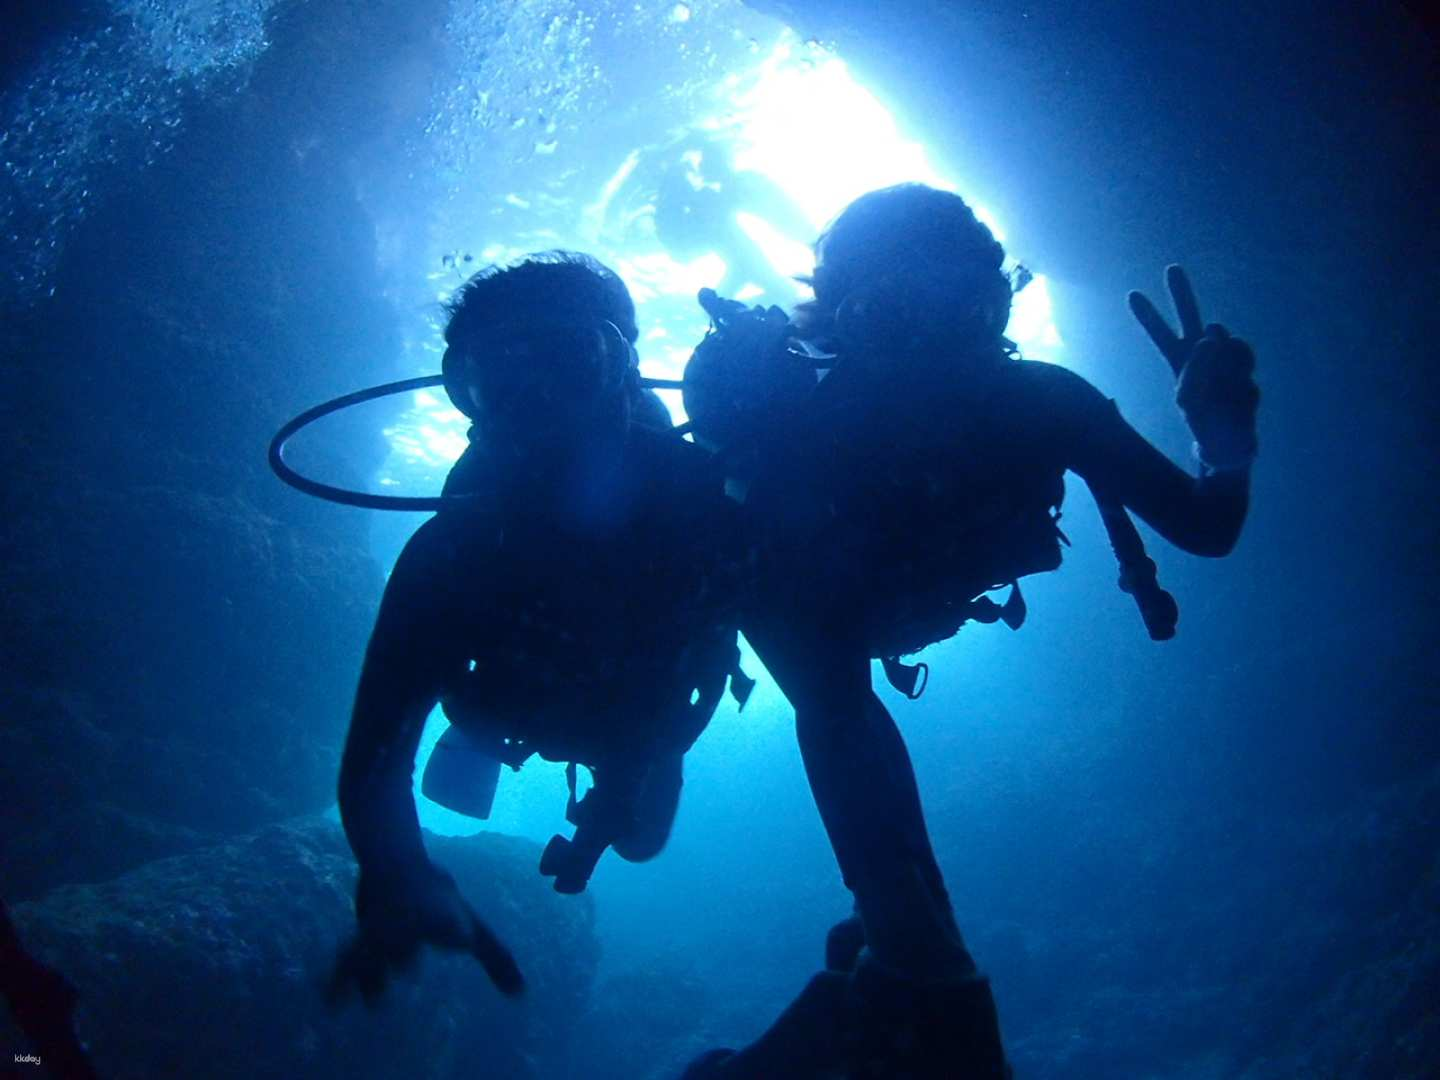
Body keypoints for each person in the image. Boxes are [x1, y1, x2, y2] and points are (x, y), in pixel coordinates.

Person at [681, 183, 1258, 1076]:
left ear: (990, 305)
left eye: (954, 306)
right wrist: (906, 920)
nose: (926, 346)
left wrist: (1219, 428)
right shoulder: (804, 445)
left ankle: (852, 984)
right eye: (892, 312)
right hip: (817, 641)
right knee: (927, 971)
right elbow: (833, 707)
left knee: (914, 957)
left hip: (857, 649)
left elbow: (1206, 529)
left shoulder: (1038, 402)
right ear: (844, 323)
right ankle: (861, 980)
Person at [331, 252, 746, 1003]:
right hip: (514, 694)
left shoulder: (704, 503)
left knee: (642, 842)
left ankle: (626, 754)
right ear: (466, 393)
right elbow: (371, 759)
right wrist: (396, 868)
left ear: (623, 365)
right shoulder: (453, 547)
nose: (535, 401)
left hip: (642, 702)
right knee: (617, 817)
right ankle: (488, 736)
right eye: (497, 374)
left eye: (564, 359)